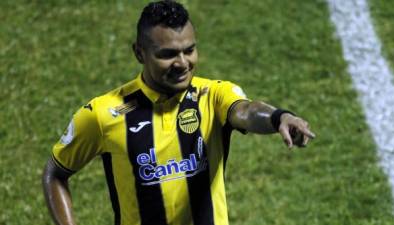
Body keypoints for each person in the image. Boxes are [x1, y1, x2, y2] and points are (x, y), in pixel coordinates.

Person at [42, 1, 315, 225]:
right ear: (140, 53)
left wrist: (279, 117)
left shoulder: (213, 95)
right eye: (168, 54)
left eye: (190, 50)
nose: (183, 63)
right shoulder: (103, 114)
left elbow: (246, 111)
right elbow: (55, 173)